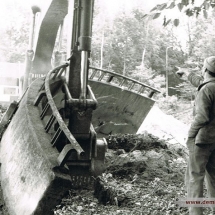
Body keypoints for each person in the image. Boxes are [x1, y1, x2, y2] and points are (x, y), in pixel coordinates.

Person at [179, 56, 215, 215]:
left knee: (194, 178)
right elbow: (202, 83)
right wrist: (187, 74)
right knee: (213, 178)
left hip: (202, 140)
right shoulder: (210, 86)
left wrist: (190, 135)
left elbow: (202, 117)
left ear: (206, 70)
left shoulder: (206, 89)